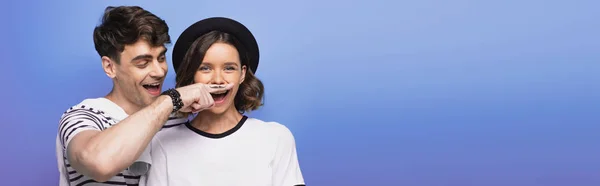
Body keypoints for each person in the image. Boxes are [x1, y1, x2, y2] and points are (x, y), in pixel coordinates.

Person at [56, 6, 234, 186]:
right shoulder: (83, 117)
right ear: (110, 67)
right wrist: (170, 100)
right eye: (143, 63)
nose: (159, 71)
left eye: (162, 58)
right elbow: (98, 163)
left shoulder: (179, 119)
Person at [139, 17, 306, 186]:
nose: (218, 80)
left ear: (242, 74)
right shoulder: (162, 143)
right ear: (191, 77)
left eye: (229, 68)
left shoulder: (276, 138)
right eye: (205, 68)